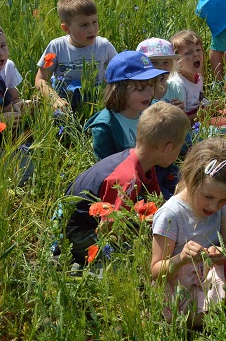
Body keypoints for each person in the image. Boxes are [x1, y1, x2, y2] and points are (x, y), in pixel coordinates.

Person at [64, 102, 190, 266]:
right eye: (180, 147)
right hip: (76, 237)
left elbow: (158, 204)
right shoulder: (126, 178)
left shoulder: (145, 165)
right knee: (134, 251)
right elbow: (109, 229)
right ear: (169, 148)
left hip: (94, 227)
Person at [150, 138, 226, 325]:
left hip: (211, 279)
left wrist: (223, 253)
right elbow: (156, 271)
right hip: (182, 289)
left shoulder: (219, 207)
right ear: (191, 179)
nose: (214, 206)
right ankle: (211, 319)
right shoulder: (171, 215)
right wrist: (181, 258)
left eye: (223, 200)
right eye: (208, 197)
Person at [34, 0, 118, 113]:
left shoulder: (103, 46)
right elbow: (41, 79)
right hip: (64, 103)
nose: (91, 29)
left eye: (94, 22)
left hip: (95, 102)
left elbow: (120, 74)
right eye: (84, 25)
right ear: (66, 29)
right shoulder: (56, 47)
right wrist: (54, 100)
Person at [84, 51, 168, 162]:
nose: (149, 93)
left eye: (152, 86)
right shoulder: (105, 128)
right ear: (119, 91)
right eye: (141, 89)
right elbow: (105, 169)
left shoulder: (155, 110)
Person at [136, 38, 186, 110]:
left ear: (172, 66)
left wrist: (180, 113)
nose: (161, 68)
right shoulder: (137, 92)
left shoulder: (175, 89)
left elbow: (183, 120)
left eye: (166, 63)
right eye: (154, 63)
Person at [168, 30, 207, 122]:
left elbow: (198, 100)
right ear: (177, 60)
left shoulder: (197, 77)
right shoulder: (178, 85)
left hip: (199, 114)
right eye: (188, 53)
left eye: (198, 50)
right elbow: (182, 120)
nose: (196, 54)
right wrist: (207, 112)